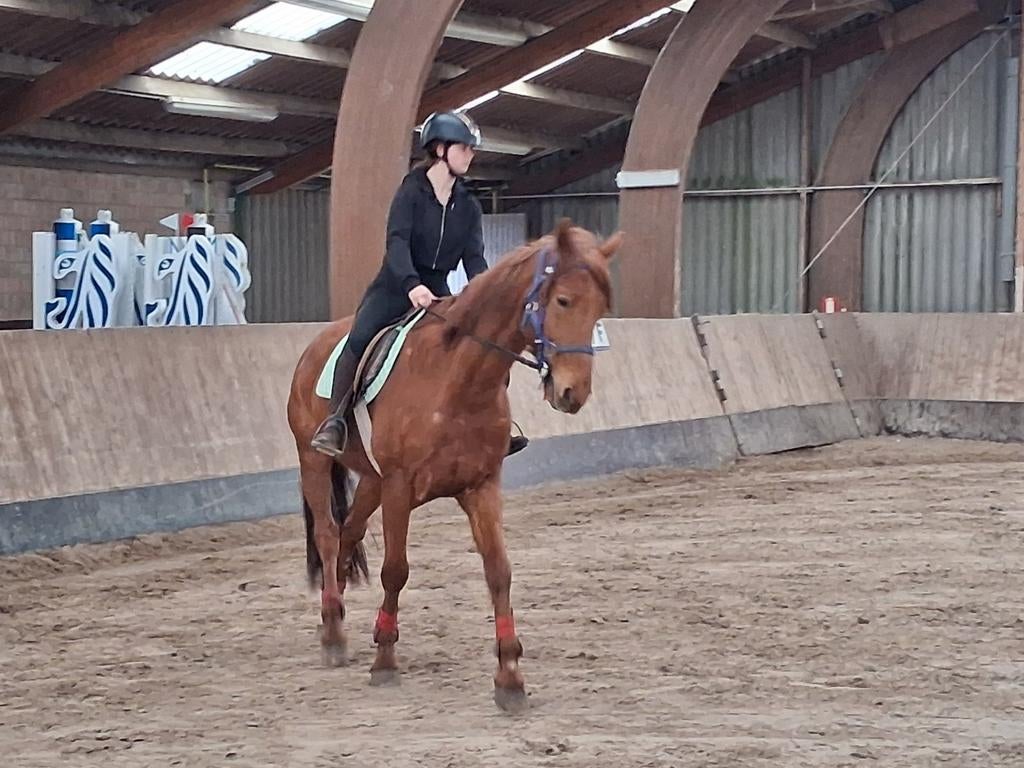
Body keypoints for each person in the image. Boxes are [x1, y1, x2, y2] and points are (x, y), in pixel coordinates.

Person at [311, 110, 530, 459]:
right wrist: (412, 284)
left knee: (486, 343)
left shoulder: (469, 207)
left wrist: (486, 295)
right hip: (395, 286)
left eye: (472, 149)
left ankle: (492, 427)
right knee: (359, 337)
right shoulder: (410, 193)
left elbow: (474, 258)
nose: (471, 155)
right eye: (464, 148)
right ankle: (335, 421)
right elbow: (397, 242)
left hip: (439, 290)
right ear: (440, 149)